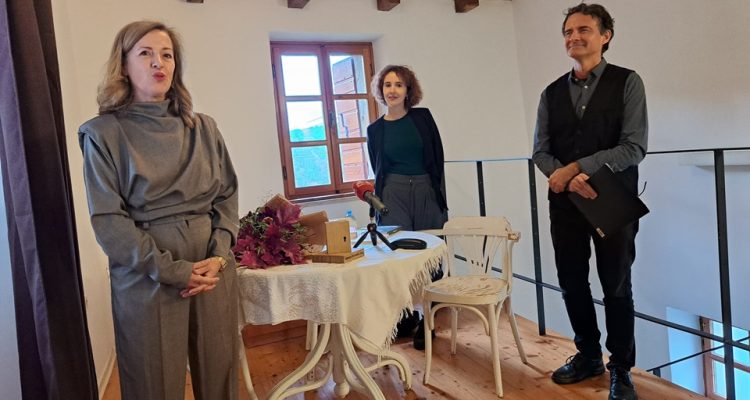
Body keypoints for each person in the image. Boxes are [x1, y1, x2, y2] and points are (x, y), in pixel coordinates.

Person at [78, 21, 239, 400]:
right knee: (153, 383)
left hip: (211, 268)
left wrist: (219, 255)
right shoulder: (103, 134)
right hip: (146, 274)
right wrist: (172, 270)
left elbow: (227, 195)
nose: (158, 62)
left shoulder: (204, 129)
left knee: (220, 372)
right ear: (124, 65)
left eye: (167, 55)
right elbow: (109, 221)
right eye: (146, 53)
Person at [532, 4, 647, 400]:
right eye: (568, 31)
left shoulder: (628, 82)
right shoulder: (550, 93)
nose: (574, 37)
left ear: (605, 36)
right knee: (571, 281)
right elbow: (540, 152)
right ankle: (588, 356)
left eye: (583, 30)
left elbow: (634, 146)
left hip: (612, 199)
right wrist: (565, 177)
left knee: (616, 284)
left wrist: (578, 168)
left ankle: (621, 369)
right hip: (565, 202)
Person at [367, 65, 448, 350]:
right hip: (393, 192)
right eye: (387, 85)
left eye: (399, 85)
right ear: (381, 90)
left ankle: (429, 321)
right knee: (398, 256)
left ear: (408, 90)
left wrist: (439, 196)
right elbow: (377, 167)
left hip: (426, 188)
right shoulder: (375, 130)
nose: (392, 90)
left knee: (431, 256)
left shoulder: (422, 118)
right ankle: (405, 315)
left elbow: (437, 156)